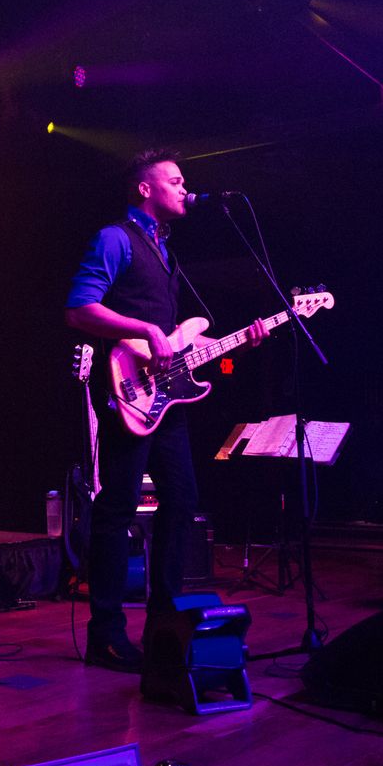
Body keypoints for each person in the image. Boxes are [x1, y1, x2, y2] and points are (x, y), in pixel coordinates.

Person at [65, 149, 265, 672]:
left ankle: (164, 624)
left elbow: (178, 344)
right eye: (174, 180)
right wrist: (145, 330)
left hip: (166, 397)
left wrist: (237, 344)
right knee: (118, 507)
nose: (184, 188)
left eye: (183, 181)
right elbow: (80, 308)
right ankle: (106, 634)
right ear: (144, 189)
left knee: (182, 501)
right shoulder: (115, 238)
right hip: (126, 390)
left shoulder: (165, 249)